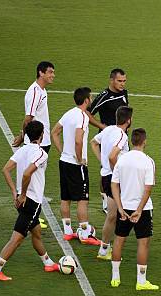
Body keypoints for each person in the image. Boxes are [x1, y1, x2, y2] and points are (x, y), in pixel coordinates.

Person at [0, 121, 59, 281]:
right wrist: (23, 194)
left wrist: (15, 192)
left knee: (36, 233)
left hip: (22, 201)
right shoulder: (42, 154)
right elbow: (27, 174)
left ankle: (47, 262)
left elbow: (6, 169)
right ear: (42, 135)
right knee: (17, 239)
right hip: (31, 202)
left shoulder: (23, 150)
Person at [110, 128, 158, 290]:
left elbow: (114, 184)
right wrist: (139, 209)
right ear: (144, 141)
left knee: (119, 240)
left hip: (124, 207)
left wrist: (119, 206)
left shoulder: (121, 160)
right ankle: (141, 281)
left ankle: (115, 278)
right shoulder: (148, 161)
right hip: (142, 210)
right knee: (143, 244)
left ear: (131, 141)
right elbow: (148, 188)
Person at [51, 87, 98, 245]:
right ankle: (85, 233)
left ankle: (68, 231)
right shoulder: (82, 117)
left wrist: (63, 151)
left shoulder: (69, 113)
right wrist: (80, 159)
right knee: (82, 199)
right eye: (90, 98)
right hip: (75, 164)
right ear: (86, 100)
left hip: (64, 162)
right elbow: (79, 140)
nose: (91, 100)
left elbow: (54, 132)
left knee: (66, 197)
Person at [90, 106, 133, 261]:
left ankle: (104, 249)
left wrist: (102, 162)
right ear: (129, 120)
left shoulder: (108, 130)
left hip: (106, 177)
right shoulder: (122, 136)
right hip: (115, 179)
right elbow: (112, 156)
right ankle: (112, 249)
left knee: (112, 215)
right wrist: (117, 172)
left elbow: (93, 143)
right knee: (120, 214)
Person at [87, 68, 129, 213]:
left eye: (124, 81)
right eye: (119, 81)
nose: (122, 84)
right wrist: (101, 126)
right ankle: (106, 200)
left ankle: (118, 197)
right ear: (111, 80)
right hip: (108, 137)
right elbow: (87, 112)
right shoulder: (104, 96)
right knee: (106, 170)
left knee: (121, 167)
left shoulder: (124, 92)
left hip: (123, 137)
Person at [12, 61, 55, 153]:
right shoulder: (35, 92)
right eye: (50, 72)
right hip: (35, 143)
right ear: (41, 73)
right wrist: (22, 137)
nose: (53, 75)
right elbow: (28, 118)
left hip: (43, 141)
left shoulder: (42, 90)